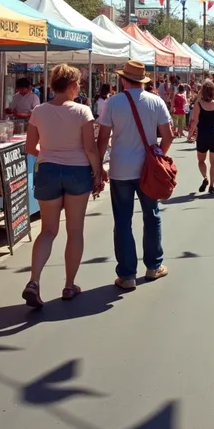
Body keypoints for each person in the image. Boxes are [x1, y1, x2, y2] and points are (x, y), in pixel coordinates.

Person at [22, 64, 103, 307]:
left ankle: (34, 280)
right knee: (75, 230)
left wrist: (48, 153)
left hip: (47, 169)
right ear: (71, 85)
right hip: (77, 171)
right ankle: (69, 284)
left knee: (48, 230)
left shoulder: (39, 111)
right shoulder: (82, 112)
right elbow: (89, 148)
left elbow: (30, 147)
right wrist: (98, 173)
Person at [96, 61, 173, 289]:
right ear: (143, 80)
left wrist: (99, 166)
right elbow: (167, 136)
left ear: (123, 80)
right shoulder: (156, 101)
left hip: (120, 168)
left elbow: (102, 138)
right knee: (152, 215)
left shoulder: (112, 103)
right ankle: (153, 266)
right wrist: (157, 156)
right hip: (147, 169)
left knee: (122, 221)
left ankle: (127, 275)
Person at [187, 79, 214, 194]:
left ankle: (205, 178)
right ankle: (212, 185)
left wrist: (190, 135)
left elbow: (194, 121)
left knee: (201, 161)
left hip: (203, 134)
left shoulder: (198, 105)